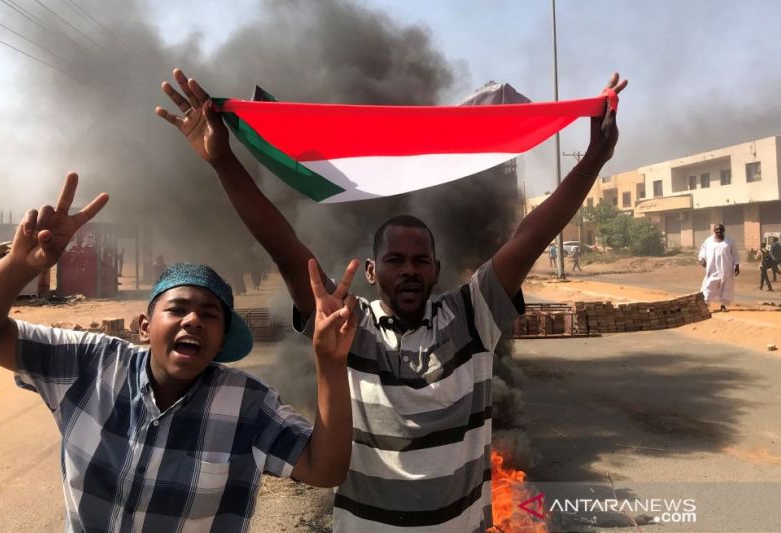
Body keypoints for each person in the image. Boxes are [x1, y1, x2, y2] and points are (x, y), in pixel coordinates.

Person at [156, 68, 627, 532]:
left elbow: (532, 233)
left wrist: (592, 161)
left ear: (436, 271)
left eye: (421, 260)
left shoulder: (472, 315)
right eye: (395, 260)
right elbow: (283, 246)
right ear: (371, 271)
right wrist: (223, 161)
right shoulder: (347, 325)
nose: (408, 270)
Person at [0, 173, 357, 531]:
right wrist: (18, 266)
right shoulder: (89, 363)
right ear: (145, 326)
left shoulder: (248, 404)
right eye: (178, 309)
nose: (193, 320)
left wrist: (330, 363)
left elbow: (324, 469)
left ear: (222, 339)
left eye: (209, 314)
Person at [698, 223, 740, 312]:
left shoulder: (729, 241)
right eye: (717, 229)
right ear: (714, 230)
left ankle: (723, 306)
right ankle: (706, 304)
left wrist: (736, 265)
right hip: (712, 269)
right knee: (708, 285)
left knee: (726, 287)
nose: (719, 231)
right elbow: (702, 251)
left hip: (726, 268)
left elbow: (735, 254)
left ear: (723, 230)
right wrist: (701, 259)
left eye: (721, 229)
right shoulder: (708, 241)